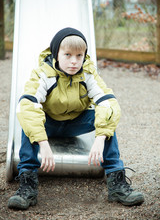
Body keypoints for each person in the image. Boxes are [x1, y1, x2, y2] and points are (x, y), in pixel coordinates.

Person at [8, 27, 144, 210]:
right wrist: (43, 142)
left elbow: (108, 102)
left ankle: (117, 183)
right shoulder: (43, 74)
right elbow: (27, 105)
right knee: (30, 120)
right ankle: (27, 184)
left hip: (76, 122)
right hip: (49, 123)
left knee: (106, 117)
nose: (74, 61)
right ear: (56, 54)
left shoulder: (87, 73)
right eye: (68, 55)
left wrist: (101, 137)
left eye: (79, 55)